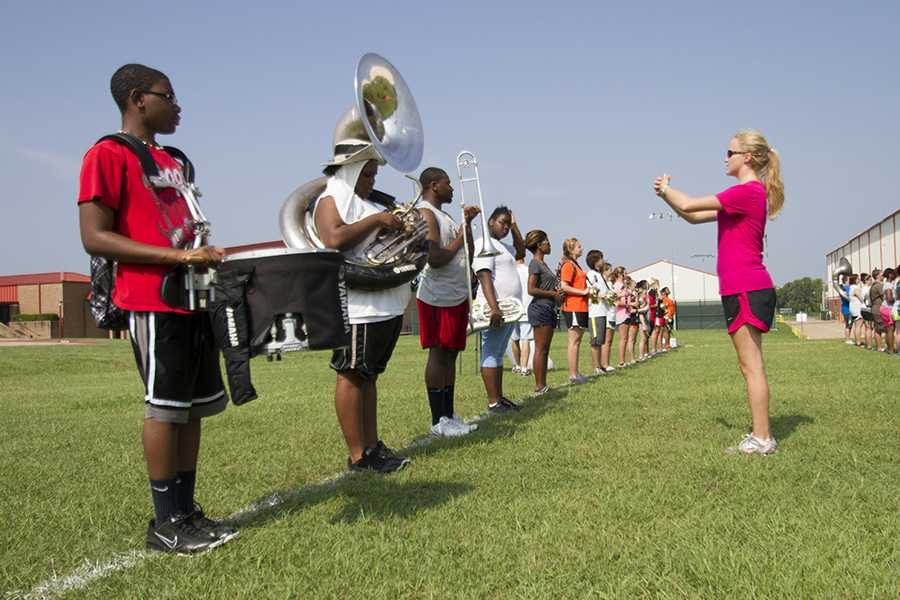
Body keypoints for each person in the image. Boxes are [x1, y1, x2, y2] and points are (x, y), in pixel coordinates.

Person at [78, 64, 236, 554]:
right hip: (152, 298)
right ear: (136, 99)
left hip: (194, 297)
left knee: (191, 411)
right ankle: (164, 523)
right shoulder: (106, 153)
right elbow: (94, 237)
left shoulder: (175, 159)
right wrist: (180, 256)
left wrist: (203, 255)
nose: (177, 104)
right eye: (168, 95)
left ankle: (185, 513)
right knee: (164, 410)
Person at [653, 128, 785, 455]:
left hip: (746, 287)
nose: (725, 158)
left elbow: (687, 202)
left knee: (751, 365)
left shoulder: (746, 192)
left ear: (748, 157)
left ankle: (762, 438)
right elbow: (690, 216)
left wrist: (667, 188)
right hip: (743, 287)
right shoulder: (745, 195)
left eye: (730, 153)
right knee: (749, 365)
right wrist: (667, 196)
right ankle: (761, 434)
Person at [311, 150, 410, 473]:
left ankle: (372, 446)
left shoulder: (365, 203)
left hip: (383, 305)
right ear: (351, 172)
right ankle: (358, 456)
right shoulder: (332, 198)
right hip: (358, 307)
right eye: (367, 175)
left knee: (369, 376)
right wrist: (378, 220)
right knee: (352, 375)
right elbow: (333, 237)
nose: (372, 181)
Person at [415, 167, 479, 437]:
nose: (452, 188)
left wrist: (467, 228)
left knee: (451, 354)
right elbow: (435, 257)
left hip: (455, 293)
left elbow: (469, 255)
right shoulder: (426, 213)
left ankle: (449, 414)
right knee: (439, 353)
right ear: (433, 185)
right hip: (437, 295)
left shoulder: (446, 215)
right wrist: (459, 238)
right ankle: (438, 420)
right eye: (447, 183)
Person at [473, 206, 526, 412]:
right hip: (496, 307)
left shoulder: (503, 246)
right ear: (490, 222)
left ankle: (499, 397)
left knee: (498, 353)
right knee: (491, 351)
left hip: (509, 308)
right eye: (502, 222)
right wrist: (494, 308)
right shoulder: (484, 244)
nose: (504, 227)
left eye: (507, 223)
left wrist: (515, 226)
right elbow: (484, 275)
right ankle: (493, 401)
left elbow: (521, 251)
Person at [525, 230, 563, 394]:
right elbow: (531, 289)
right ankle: (539, 386)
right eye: (546, 241)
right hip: (540, 308)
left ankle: (543, 384)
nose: (549, 244)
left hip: (548, 308)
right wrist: (553, 294)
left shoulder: (544, 264)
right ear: (539, 245)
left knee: (545, 349)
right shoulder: (535, 263)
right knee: (540, 348)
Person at [558, 238, 590, 383]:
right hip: (573, 306)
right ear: (571, 249)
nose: (581, 248)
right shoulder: (568, 265)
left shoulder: (576, 264)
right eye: (578, 246)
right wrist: (582, 292)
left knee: (578, 341)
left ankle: (576, 372)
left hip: (581, 306)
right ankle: (572, 374)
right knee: (574, 341)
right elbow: (564, 286)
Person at [585, 251, 610, 374]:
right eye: (601, 259)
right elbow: (592, 291)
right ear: (595, 261)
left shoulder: (599, 275)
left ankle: (600, 366)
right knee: (595, 341)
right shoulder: (591, 274)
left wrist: (611, 296)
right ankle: (596, 367)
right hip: (595, 312)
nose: (603, 261)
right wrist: (602, 296)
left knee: (600, 341)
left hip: (602, 311)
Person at [511, 257, 534, 375]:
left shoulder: (511, 270)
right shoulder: (529, 270)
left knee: (514, 339)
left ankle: (517, 365)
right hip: (526, 308)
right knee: (525, 339)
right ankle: (524, 368)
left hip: (514, 309)